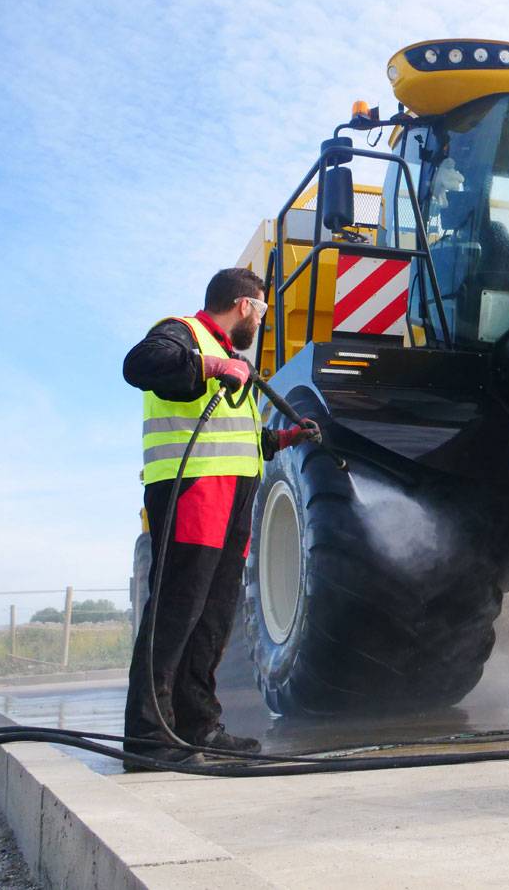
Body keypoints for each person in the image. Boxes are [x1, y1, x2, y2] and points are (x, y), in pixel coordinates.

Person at [122, 267, 319, 768]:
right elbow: (139, 364)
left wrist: (283, 439)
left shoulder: (232, 357)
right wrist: (211, 366)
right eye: (262, 308)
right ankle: (149, 739)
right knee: (176, 610)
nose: (262, 319)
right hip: (193, 491)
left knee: (211, 618)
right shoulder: (182, 333)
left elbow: (236, 438)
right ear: (244, 304)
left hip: (230, 500)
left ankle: (199, 727)